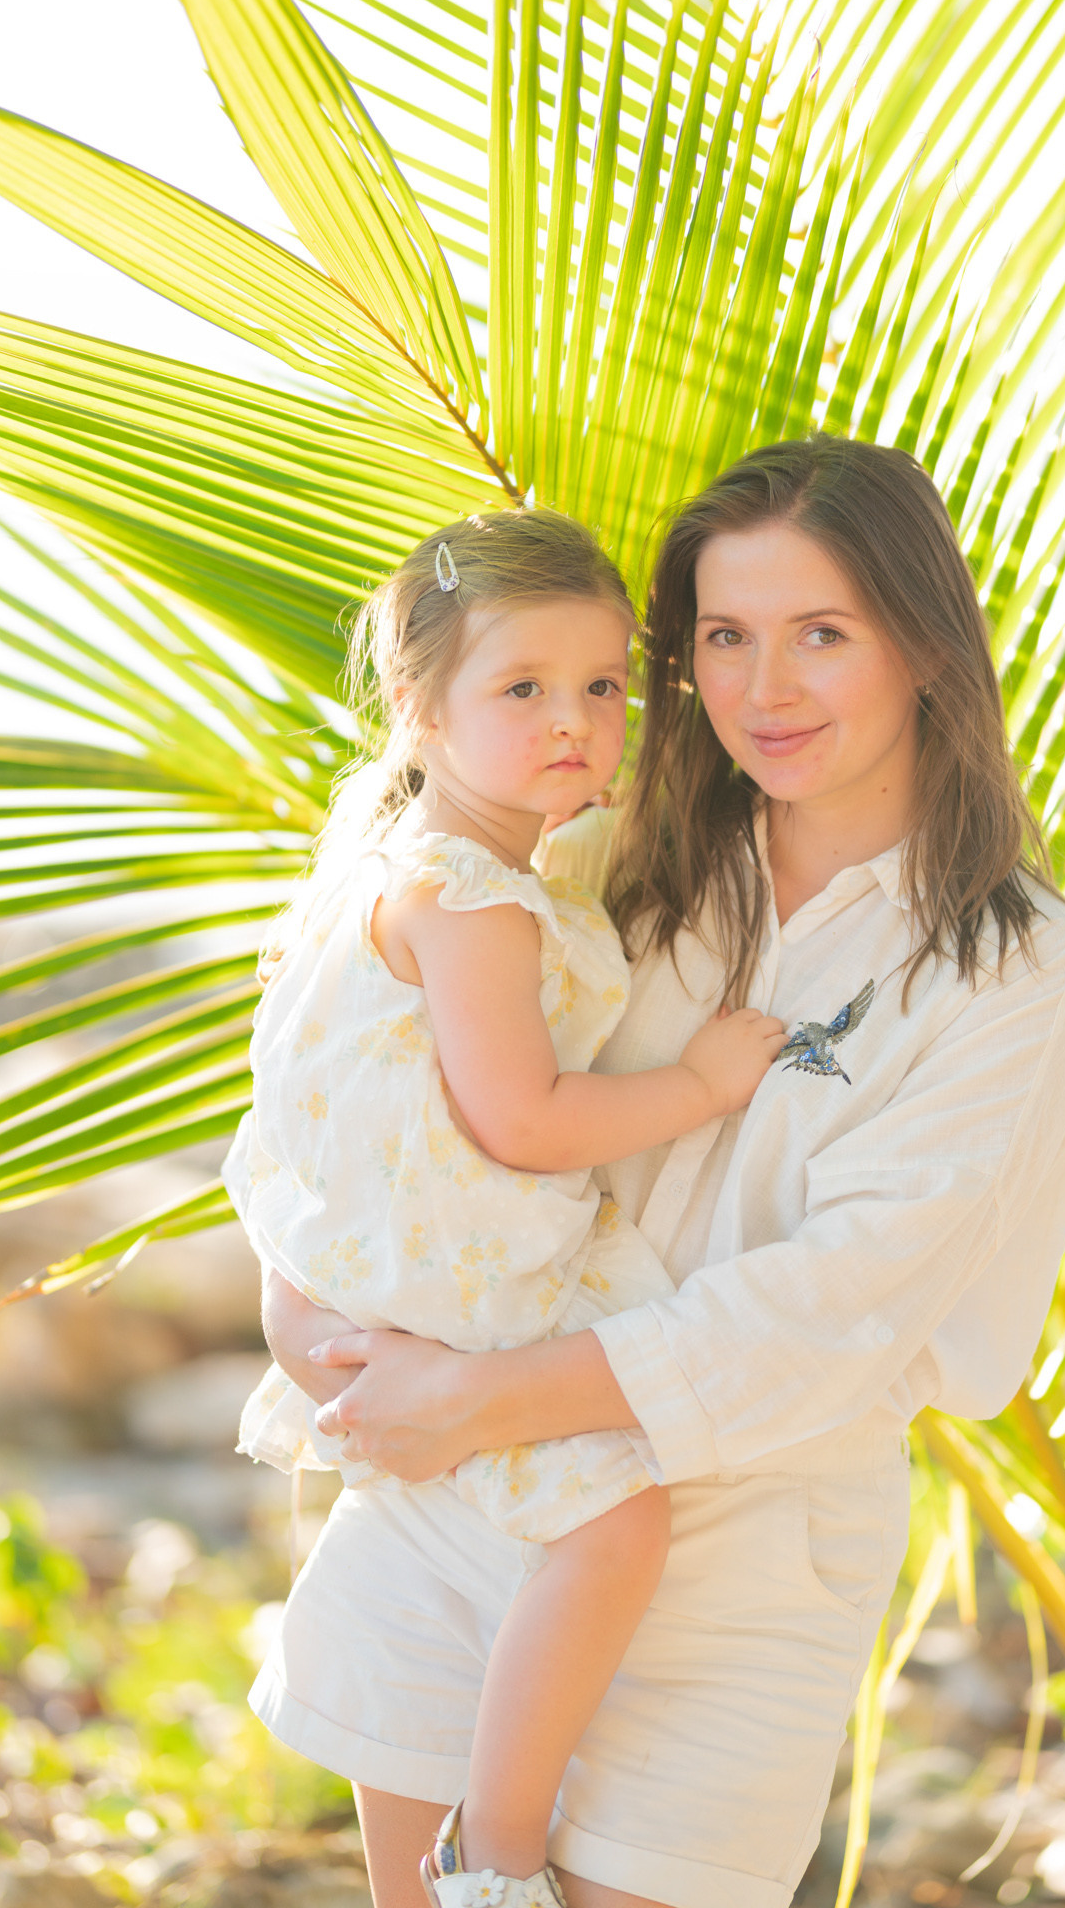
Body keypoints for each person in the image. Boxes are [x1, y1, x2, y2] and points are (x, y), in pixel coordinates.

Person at [258, 437, 1065, 1908]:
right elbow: (355, 1085)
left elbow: (833, 1309)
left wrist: (473, 1397)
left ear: (922, 644)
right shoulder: (598, 868)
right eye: (725, 637)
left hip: (743, 1551)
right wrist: (311, 1315)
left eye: (821, 634)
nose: (765, 688)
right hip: (463, 1495)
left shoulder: (1019, 970)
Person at [222, 507, 787, 1907]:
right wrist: (702, 1085)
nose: (574, 723)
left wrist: (290, 1284)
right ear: (419, 707)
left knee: (512, 1546)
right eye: (522, 688)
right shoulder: (472, 900)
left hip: (363, 1276)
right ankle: (497, 1849)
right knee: (617, 1529)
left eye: (602, 685)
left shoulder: (378, 863)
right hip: (457, 1294)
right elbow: (520, 1121)